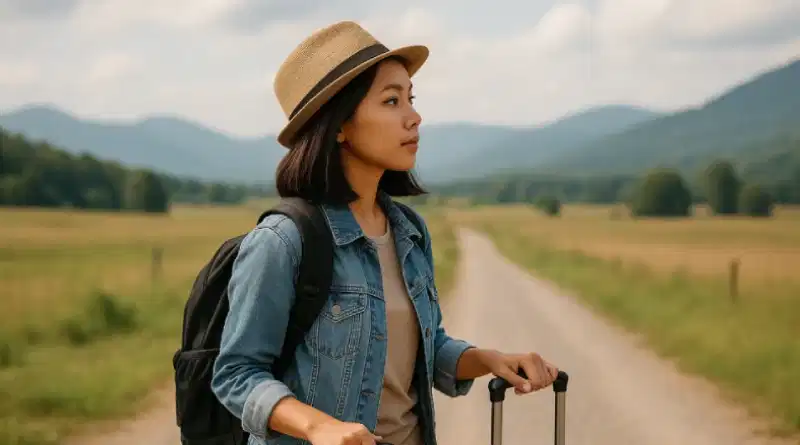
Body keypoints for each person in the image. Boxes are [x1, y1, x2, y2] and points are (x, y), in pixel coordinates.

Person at [210, 20, 559, 445]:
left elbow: (419, 352)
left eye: (410, 99)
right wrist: (319, 426)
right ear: (337, 124)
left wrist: (488, 360)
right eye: (392, 101)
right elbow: (236, 374)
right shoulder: (283, 242)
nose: (414, 117)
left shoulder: (410, 232)